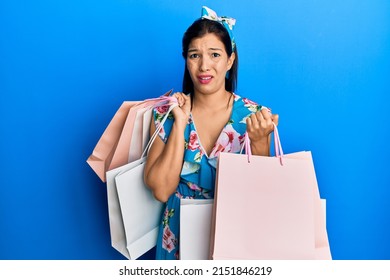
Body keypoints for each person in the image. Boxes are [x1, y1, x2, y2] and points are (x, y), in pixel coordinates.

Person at [144, 6, 279, 260]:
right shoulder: (166, 114)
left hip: (235, 236)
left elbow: (262, 194)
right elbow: (161, 191)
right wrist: (180, 123)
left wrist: (260, 140)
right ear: (186, 60)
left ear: (230, 60)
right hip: (178, 239)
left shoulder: (254, 116)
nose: (204, 66)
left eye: (214, 54)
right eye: (194, 55)